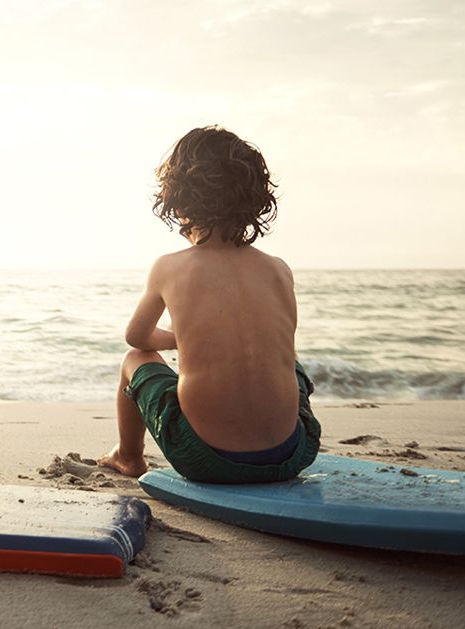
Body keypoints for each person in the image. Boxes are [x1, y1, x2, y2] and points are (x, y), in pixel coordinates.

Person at [98, 126, 321, 483]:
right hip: (292, 454)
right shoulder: (279, 269)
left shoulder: (169, 267)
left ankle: (128, 456)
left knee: (134, 361)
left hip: (205, 460)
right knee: (286, 361)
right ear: (254, 199)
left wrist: (179, 338)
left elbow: (136, 337)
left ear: (178, 199)